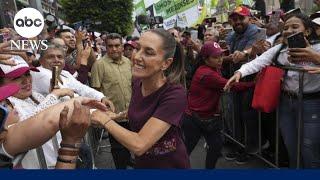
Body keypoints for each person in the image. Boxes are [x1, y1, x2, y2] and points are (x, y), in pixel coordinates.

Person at [225, 12, 320, 168]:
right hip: (286, 104)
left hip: (312, 105)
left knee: (309, 148)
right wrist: (239, 72)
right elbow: (258, 62)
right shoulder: (280, 49)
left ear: (307, 31)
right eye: (286, 27)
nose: (289, 30)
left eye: (295, 27)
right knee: (291, 145)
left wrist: (316, 58)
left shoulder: (318, 47)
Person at [91, 28, 190, 169]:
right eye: (137, 49)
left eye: (148, 52)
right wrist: (115, 116)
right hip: (143, 163)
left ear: (166, 63)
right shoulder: (138, 82)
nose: (137, 56)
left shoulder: (175, 94)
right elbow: (139, 110)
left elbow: (139, 144)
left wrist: (104, 120)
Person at [0, 83, 106, 169]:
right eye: (3, 107)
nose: (12, 108)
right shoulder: (4, 141)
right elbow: (47, 121)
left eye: (8, 102)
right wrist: (70, 142)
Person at [182, 42, 254, 169]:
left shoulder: (211, 67)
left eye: (221, 55)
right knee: (185, 152)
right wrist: (255, 84)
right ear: (205, 59)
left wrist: (233, 57)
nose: (220, 59)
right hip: (195, 119)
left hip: (209, 117)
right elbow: (232, 85)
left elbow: (223, 61)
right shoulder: (207, 73)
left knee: (215, 147)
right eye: (216, 57)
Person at [30, 43, 114, 111]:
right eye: (50, 57)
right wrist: (99, 109)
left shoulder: (65, 73)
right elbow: (67, 99)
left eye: (59, 57)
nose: (56, 60)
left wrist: (101, 97)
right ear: (41, 60)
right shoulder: (39, 72)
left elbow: (82, 88)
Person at [91, 33, 132, 169]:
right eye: (110, 46)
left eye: (117, 45)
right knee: (119, 151)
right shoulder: (99, 65)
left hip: (132, 114)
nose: (114, 49)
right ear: (105, 47)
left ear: (122, 46)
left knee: (135, 146)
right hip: (115, 118)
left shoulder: (128, 62)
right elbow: (95, 91)